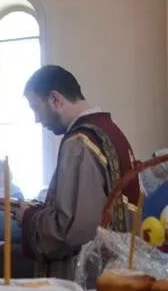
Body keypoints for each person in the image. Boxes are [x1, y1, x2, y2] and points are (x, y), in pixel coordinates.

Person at [15, 65, 139, 278]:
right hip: (118, 269)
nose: (37, 119)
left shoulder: (80, 143)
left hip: (87, 277)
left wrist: (28, 216)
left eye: (36, 108)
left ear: (55, 99)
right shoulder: (112, 132)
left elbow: (71, 229)